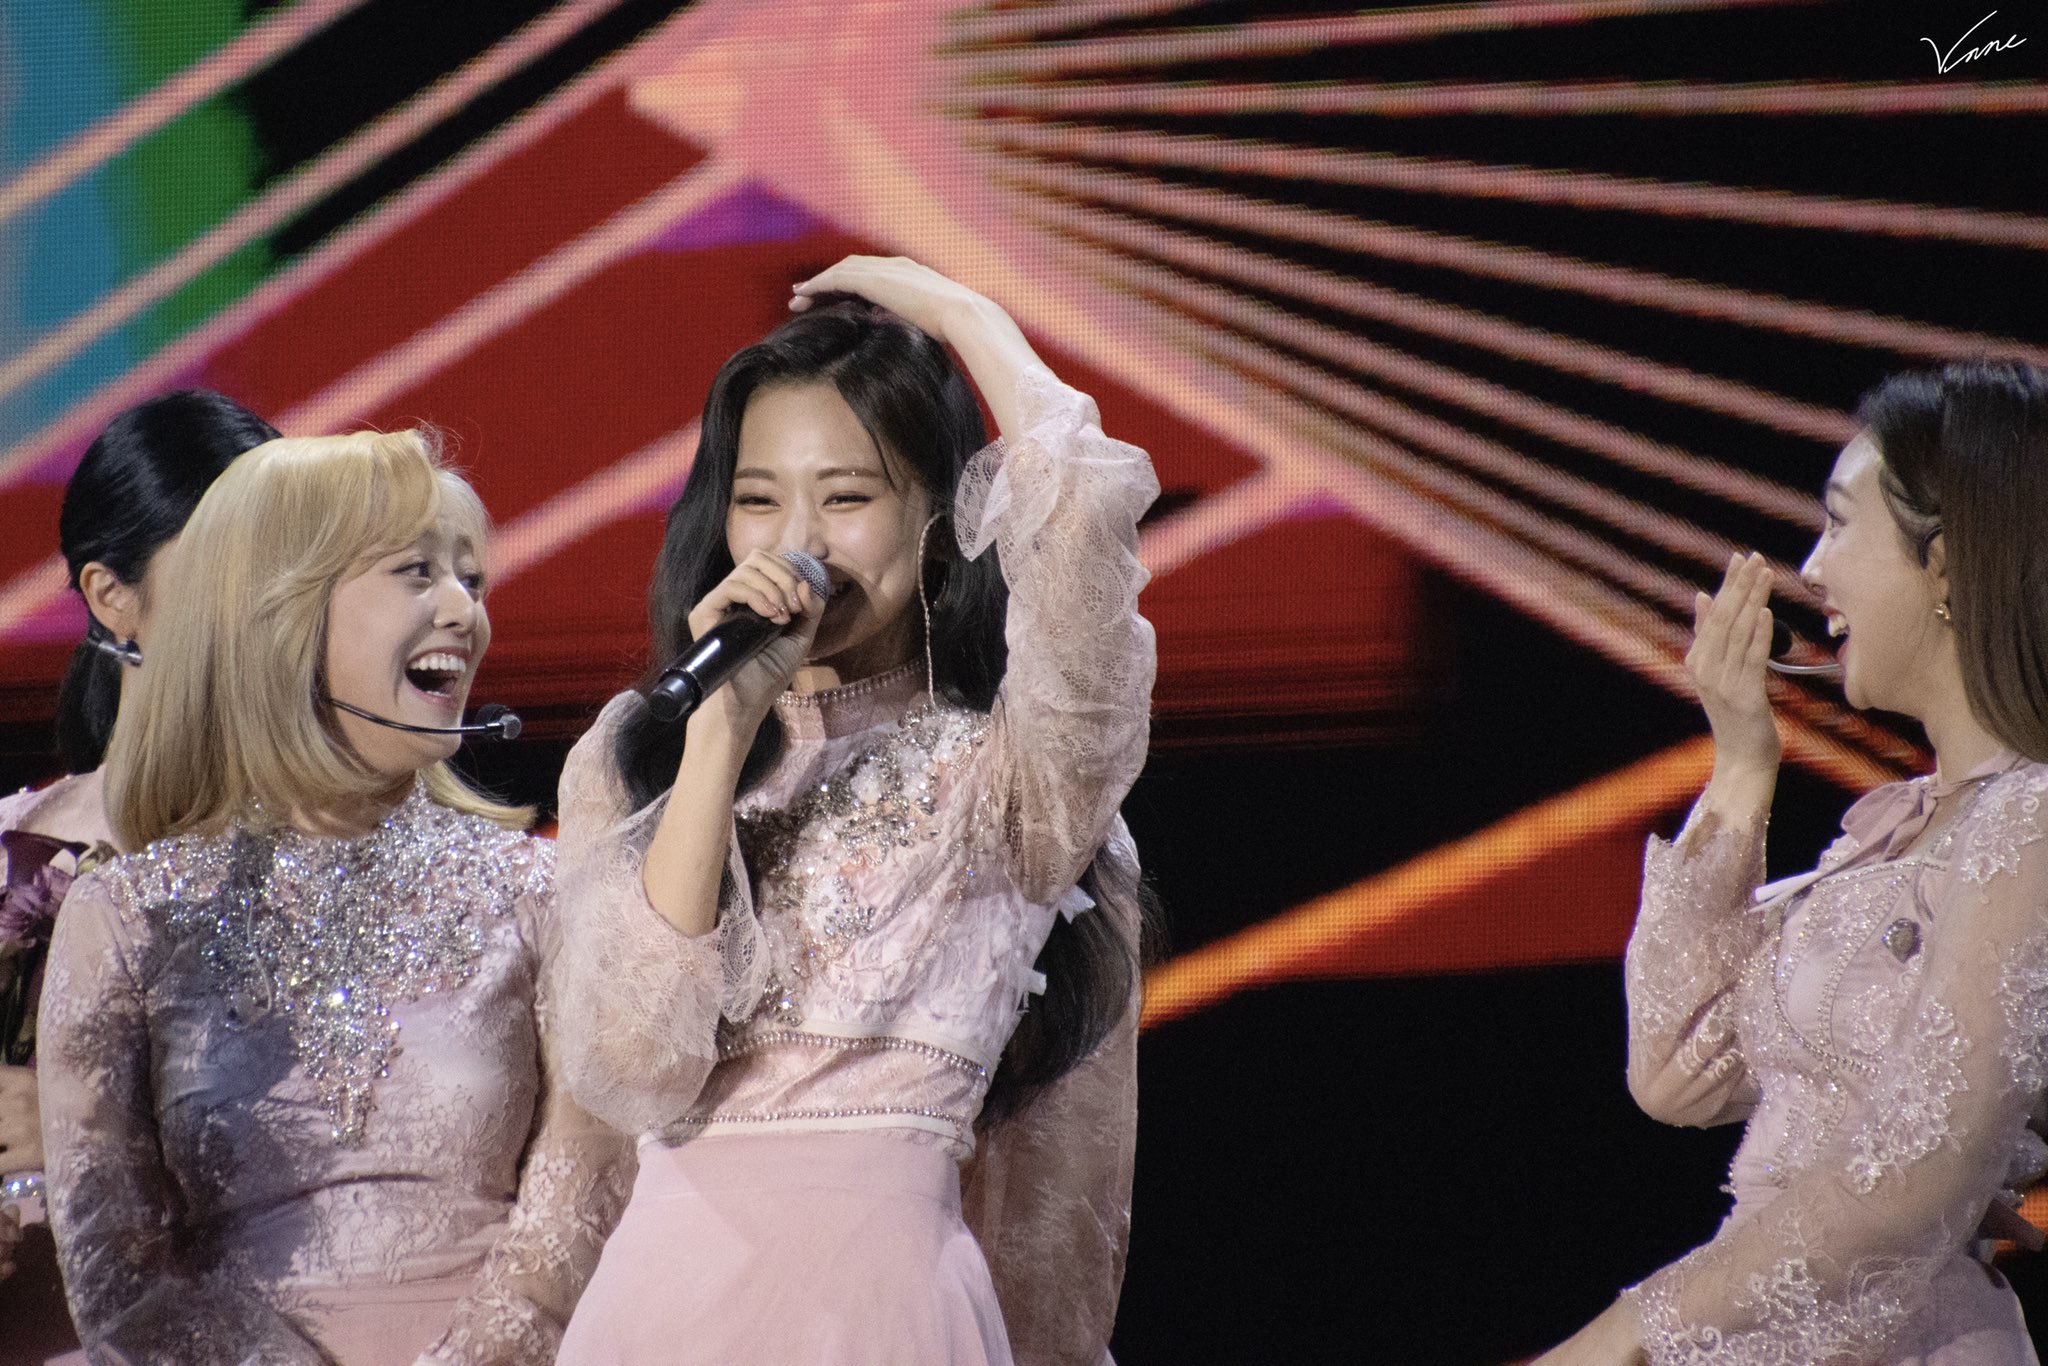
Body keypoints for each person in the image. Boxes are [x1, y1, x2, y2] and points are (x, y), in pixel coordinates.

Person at [552, 257, 1156, 1365]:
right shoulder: (638, 751)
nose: (799, 545)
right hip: (662, 1305)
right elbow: (632, 1064)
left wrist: (967, 315)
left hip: (886, 1310)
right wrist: (721, 734)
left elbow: (1081, 546)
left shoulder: (1011, 774)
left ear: (939, 518)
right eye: (758, 500)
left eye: (846, 498)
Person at [37, 428, 629, 1364]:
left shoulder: (537, 890)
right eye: (417, 573)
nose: (463, 612)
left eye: (472, 581)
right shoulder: (125, 918)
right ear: (283, 614)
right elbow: (117, 1266)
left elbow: (586, 1179)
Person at [1537, 358, 2048, 1364]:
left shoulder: (2029, 820)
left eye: (1839, 523)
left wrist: (1628, 1331)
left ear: (1946, 564)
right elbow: (1674, 1067)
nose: (1810, 568)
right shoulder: (1885, 836)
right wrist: (1739, 764)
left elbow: (1918, 1176)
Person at [0, 391, 278, 1359]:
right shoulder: (15, 853)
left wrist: (79, 1128)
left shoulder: (339, 852)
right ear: (109, 594)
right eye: (223, 563)